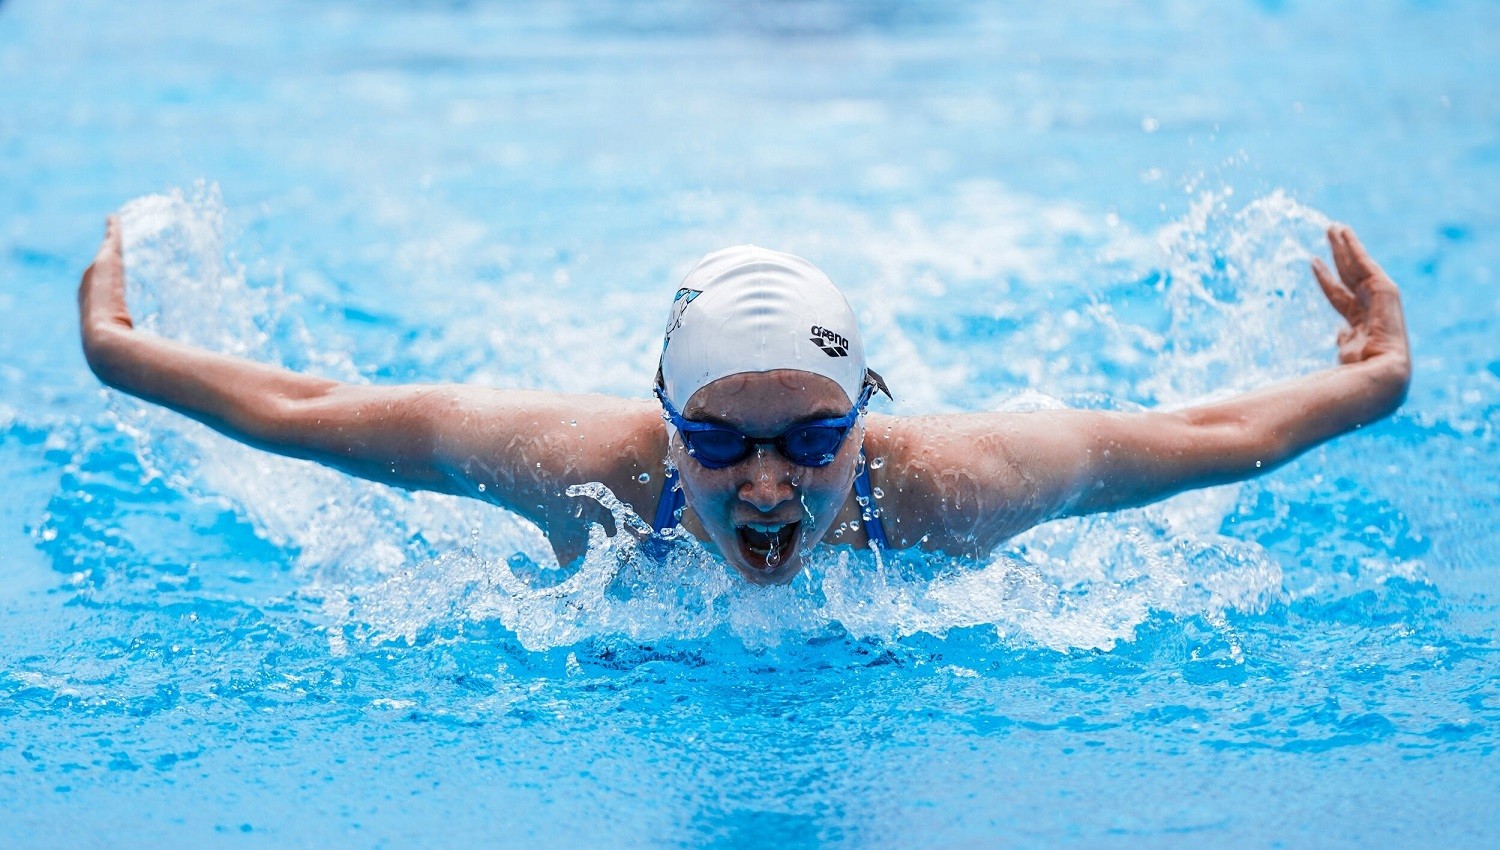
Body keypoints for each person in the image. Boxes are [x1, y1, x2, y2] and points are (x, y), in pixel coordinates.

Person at [78, 218, 1411, 585]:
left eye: (811, 439)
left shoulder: (950, 485)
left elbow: (1208, 438)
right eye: (718, 440)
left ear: (864, 416)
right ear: (663, 423)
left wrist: (1375, 383)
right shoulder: (586, 470)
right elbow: (316, 407)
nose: (767, 484)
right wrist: (124, 356)